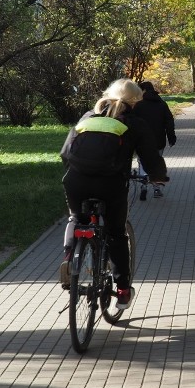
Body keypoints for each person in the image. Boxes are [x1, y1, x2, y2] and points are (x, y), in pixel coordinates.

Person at [59, 78, 167, 308]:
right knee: (116, 234)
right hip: (110, 185)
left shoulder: (88, 117)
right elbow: (150, 157)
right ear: (135, 101)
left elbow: (66, 153)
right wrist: (158, 177)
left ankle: (69, 256)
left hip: (76, 181)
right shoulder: (134, 123)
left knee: (77, 220)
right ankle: (123, 290)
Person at [133, 81, 176, 198]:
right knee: (156, 162)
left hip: (141, 140)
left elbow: (132, 122)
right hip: (158, 140)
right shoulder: (162, 104)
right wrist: (171, 137)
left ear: (143, 91)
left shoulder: (138, 105)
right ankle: (156, 189)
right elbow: (169, 121)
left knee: (142, 162)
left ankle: (144, 185)